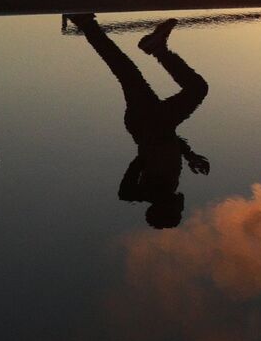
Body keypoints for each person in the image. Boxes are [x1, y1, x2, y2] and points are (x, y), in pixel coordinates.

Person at [67, 15, 210, 229]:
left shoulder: (156, 192)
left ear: (165, 209)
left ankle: (154, 48)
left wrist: (143, 158)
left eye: (177, 212)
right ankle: (154, 47)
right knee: (127, 71)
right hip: (157, 125)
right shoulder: (166, 187)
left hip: (148, 124)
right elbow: (165, 146)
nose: (181, 208)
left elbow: (125, 193)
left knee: (129, 71)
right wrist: (189, 154)